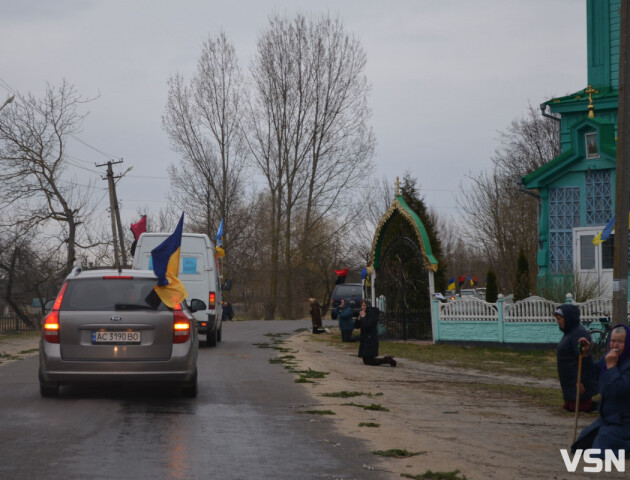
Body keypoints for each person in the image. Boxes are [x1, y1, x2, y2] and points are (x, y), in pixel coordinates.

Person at [573, 324, 630, 455]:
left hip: (623, 422)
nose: (615, 345)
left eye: (620, 342)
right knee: (580, 446)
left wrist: (611, 367)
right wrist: (587, 356)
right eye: (612, 341)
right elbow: (593, 374)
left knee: (599, 453)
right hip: (607, 420)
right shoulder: (609, 358)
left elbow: (617, 390)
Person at [554, 304, 597, 412]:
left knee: (582, 409)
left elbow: (583, 359)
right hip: (570, 381)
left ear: (568, 318)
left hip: (577, 383)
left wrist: (581, 381)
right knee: (573, 409)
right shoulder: (569, 332)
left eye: (559, 319)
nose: (558, 322)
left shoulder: (578, 333)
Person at [356, 299, 396, 366]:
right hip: (365, 338)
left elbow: (368, 325)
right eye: (361, 305)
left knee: (369, 361)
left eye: (364, 305)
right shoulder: (363, 313)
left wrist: (363, 317)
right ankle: (387, 360)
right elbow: (356, 326)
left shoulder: (373, 314)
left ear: (368, 305)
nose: (362, 307)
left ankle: (387, 360)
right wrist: (359, 318)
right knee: (366, 361)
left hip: (370, 338)